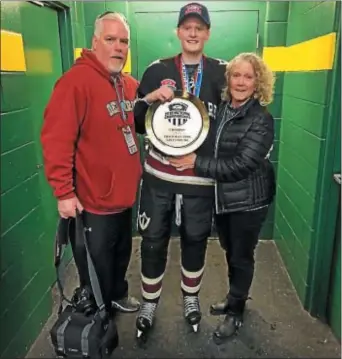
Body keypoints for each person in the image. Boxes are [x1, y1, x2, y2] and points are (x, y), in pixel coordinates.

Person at [133, 2, 227, 340]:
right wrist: (150, 100)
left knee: (195, 240)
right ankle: (149, 303)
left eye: (199, 27)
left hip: (199, 179)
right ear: (178, 31)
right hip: (158, 177)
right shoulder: (157, 70)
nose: (192, 32)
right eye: (187, 26)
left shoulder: (222, 72)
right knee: (153, 242)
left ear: (207, 33)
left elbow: (232, 122)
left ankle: (190, 298)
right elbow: (137, 123)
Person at [168, 52, 276, 343]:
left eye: (248, 76)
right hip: (225, 199)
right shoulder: (224, 109)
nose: (241, 82)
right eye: (236, 75)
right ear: (228, 79)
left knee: (241, 256)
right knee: (231, 251)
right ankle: (233, 297)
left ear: (258, 83)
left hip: (248, 201)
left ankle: (236, 312)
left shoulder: (260, 119)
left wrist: (195, 163)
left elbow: (241, 164)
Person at [41, 12, 142, 316]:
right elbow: (57, 140)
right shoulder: (75, 83)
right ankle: (99, 317)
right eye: (110, 40)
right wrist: (63, 193)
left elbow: (144, 113)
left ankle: (117, 294)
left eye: (123, 41)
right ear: (95, 42)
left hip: (122, 197)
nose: (118, 47)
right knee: (96, 265)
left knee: (121, 254)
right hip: (93, 202)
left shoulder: (127, 84)